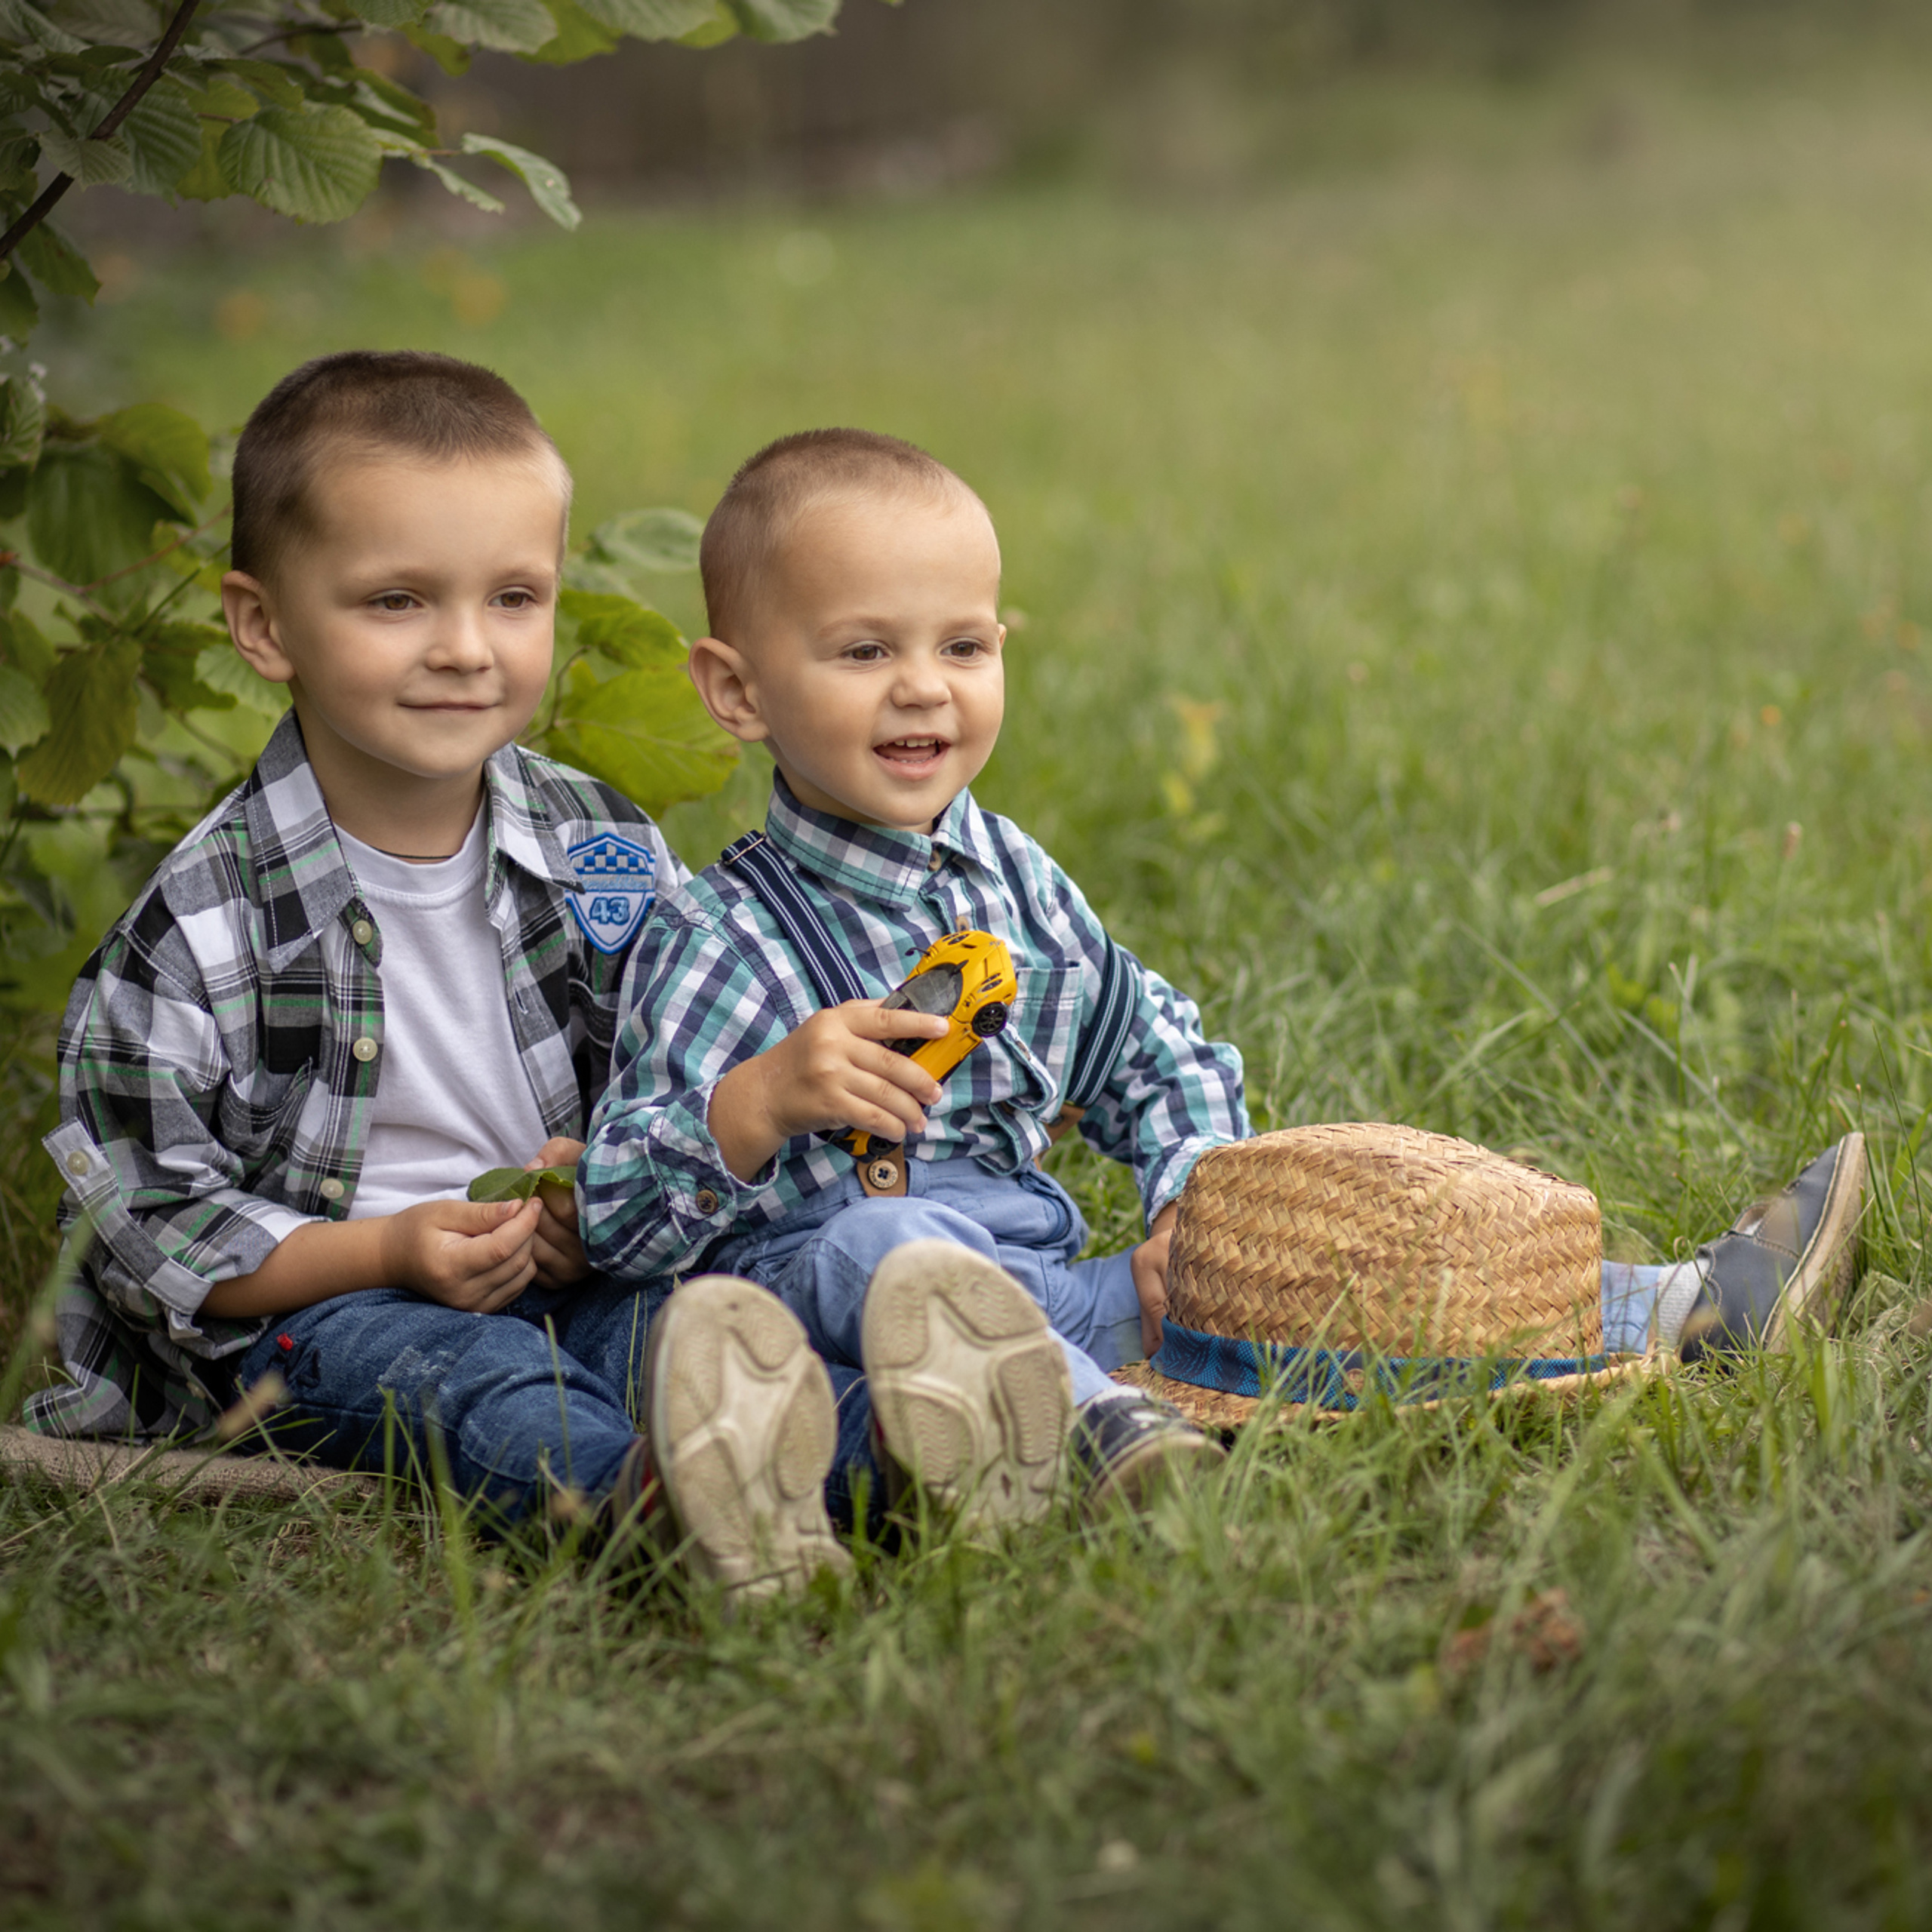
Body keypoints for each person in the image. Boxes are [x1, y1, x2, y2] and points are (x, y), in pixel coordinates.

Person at [580, 428, 1872, 1596]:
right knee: (890, 1246)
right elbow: (618, 1219)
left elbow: (1154, 1045)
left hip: (1039, 1302)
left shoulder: (1015, 882)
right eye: (866, 650)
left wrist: (1194, 1205)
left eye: (962, 647)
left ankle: (1666, 1308)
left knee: (1317, 1270)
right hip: (820, 1309)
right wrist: (753, 1106)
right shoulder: (721, 937)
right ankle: (1103, 1440)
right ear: (738, 692)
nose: (925, 687)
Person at [20, 351, 831, 1580]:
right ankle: (655, 1514)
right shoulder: (197, 926)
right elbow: (152, 1222)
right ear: (263, 625)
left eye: (514, 598)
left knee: (709, 1329)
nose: (465, 648)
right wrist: (392, 1253)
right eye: (397, 601)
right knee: (478, 1380)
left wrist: (594, 1196)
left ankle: (934, 1446)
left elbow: (685, 1052)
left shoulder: (596, 844)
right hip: (330, 1318)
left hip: (572, 1264)